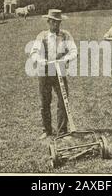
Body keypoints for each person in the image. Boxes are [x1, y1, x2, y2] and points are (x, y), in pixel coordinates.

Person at [30, 9, 78, 140]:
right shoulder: (42, 36)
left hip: (59, 71)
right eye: (53, 22)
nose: (56, 25)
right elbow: (33, 52)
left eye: (58, 22)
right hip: (44, 72)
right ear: (48, 22)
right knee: (45, 102)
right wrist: (41, 60)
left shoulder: (65, 35)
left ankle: (62, 131)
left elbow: (74, 51)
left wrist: (66, 58)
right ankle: (47, 130)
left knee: (63, 100)